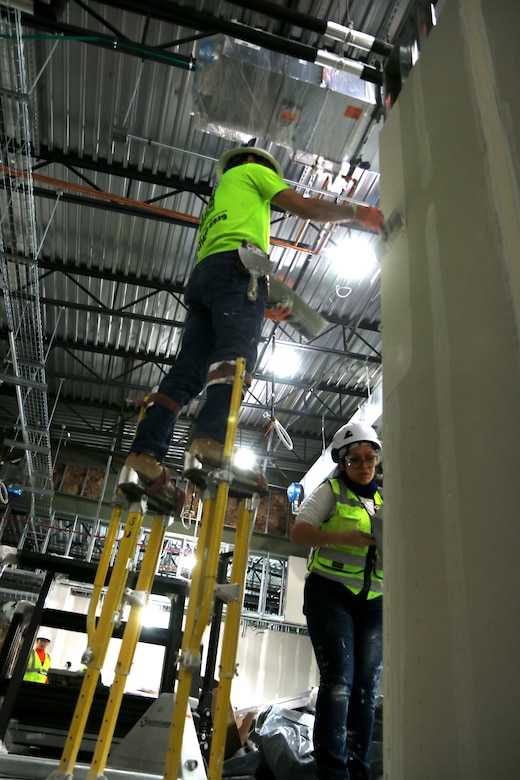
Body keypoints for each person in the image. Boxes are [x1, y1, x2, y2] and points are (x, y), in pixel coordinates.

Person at [123, 147, 385, 509]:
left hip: (204, 278)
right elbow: (309, 208)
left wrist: (259, 302)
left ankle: (145, 453)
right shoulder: (252, 172)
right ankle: (209, 440)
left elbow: (224, 277)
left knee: (187, 371)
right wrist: (360, 213)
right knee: (236, 354)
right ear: (253, 164)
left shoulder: (219, 199)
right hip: (237, 266)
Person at [291, 422, 383, 780]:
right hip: (330, 593)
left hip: (374, 600)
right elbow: (300, 533)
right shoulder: (330, 492)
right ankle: (332, 772)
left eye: (370, 458)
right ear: (343, 462)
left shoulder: (383, 501)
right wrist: (345, 537)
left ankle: (358, 771)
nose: (364, 465)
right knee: (340, 679)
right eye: (356, 459)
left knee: (366, 688)